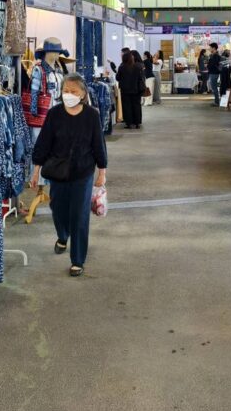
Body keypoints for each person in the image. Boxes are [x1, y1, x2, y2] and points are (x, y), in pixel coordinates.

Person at [30, 74, 107, 277]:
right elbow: (43, 143)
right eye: (66, 91)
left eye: (73, 91)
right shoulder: (54, 114)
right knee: (58, 209)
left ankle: (77, 260)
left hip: (83, 171)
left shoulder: (91, 115)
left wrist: (102, 172)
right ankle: (63, 235)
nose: (69, 94)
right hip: (58, 171)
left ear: (82, 94)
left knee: (79, 215)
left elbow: (99, 145)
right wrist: (36, 171)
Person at [116, 50, 145, 129]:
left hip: (125, 90)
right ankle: (137, 123)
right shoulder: (137, 67)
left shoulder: (121, 67)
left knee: (127, 106)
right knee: (136, 106)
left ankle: (129, 123)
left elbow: (117, 78)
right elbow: (140, 78)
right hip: (136, 90)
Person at [207, 42, 222, 107]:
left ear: (214, 48)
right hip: (213, 73)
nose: (209, 49)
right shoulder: (213, 55)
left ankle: (217, 102)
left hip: (214, 73)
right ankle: (216, 101)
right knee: (214, 87)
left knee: (214, 88)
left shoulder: (216, 56)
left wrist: (208, 65)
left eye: (210, 48)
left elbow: (214, 64)